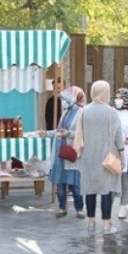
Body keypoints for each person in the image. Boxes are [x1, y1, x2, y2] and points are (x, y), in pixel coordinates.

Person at [73, 80, 123, 235]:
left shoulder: (84, 111)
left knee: (90, 190)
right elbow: (118, 136)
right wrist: (122, 154)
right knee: (106, 191)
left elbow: (78, 134)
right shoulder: (111, 112)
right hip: (106, 156)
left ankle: (91, 223)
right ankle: (107, 225)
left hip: (88, 156)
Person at [48, 86, 86, 219]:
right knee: (60, 181)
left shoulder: (82, 113)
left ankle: (79, 208)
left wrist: (69, 133)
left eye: (65, 98)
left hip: (71, 152)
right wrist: (47, 133)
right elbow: (59, 130)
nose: (62, 101)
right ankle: (62, 207)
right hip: (60, 151)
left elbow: (84, 134)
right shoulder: (65, 112)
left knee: (75, 182)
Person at [113, 88, 128, 220]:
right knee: (112, 175)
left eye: (121, 97)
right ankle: (112, 200)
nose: (118, 100)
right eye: (116, 97)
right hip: (114, 149)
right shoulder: (112, 112)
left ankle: (124, 205)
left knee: (126, 178)